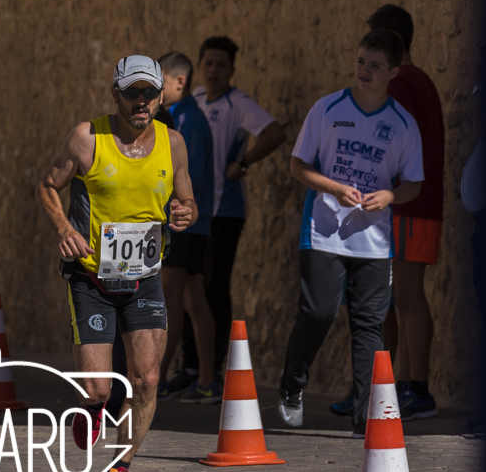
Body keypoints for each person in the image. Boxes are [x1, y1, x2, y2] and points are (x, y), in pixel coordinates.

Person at [36, 55, 195, 472]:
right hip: (91, 278)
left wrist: (185, 213)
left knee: (146, 379)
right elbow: (47, 185)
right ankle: (92, 408)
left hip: (144, 277)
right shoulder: (88, 138)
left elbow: (186, 200)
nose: (141, 101)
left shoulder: (174, 144)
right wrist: (65, 231)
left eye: (149, 92)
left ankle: (119, 470)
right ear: (116, 94)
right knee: (98, 388)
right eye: (132, 92)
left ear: (162, 95)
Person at [277, 30, 424, 437]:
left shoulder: (402, 124)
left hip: (374, 241)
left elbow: (414, 183)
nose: (364, 71)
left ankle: (366, 418)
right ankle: (292, 385)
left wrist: (391, 194)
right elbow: (297, 166)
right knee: (319, 312)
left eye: (375, 65)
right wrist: (333, 187)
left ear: (393, 72)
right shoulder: (328, 109)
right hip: (323, 231)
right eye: (361, 61)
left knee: (370, 325)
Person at [182, 37, 286, 397]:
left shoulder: (238, 104)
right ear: (199, 66)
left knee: (213, 287)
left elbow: (275, 133)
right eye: (207, 63)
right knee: (186, 287)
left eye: (221, 64)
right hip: (190, 212)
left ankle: (211, 369)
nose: (213, 70)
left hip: (225, 211)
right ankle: (190, 366)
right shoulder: (192, 100)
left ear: (232, 69)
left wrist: (243, 163)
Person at [364, 4, 445, 421]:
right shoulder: (423, 81)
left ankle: (418, 388)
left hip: (409, 205)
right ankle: (400, 386)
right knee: (404, 297)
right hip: (419, 204)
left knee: (408, 296)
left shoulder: (403, 83)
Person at [152, 51, 218, 404]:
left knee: (171, 299)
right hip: (195, 223)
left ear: (179, 82)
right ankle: (207, 379)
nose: (154, 94)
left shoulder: (186, 122)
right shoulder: (182, 116)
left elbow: (182, 180)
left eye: (158, 85)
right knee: (193, 300)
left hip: (185, 223)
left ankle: (158, 378)